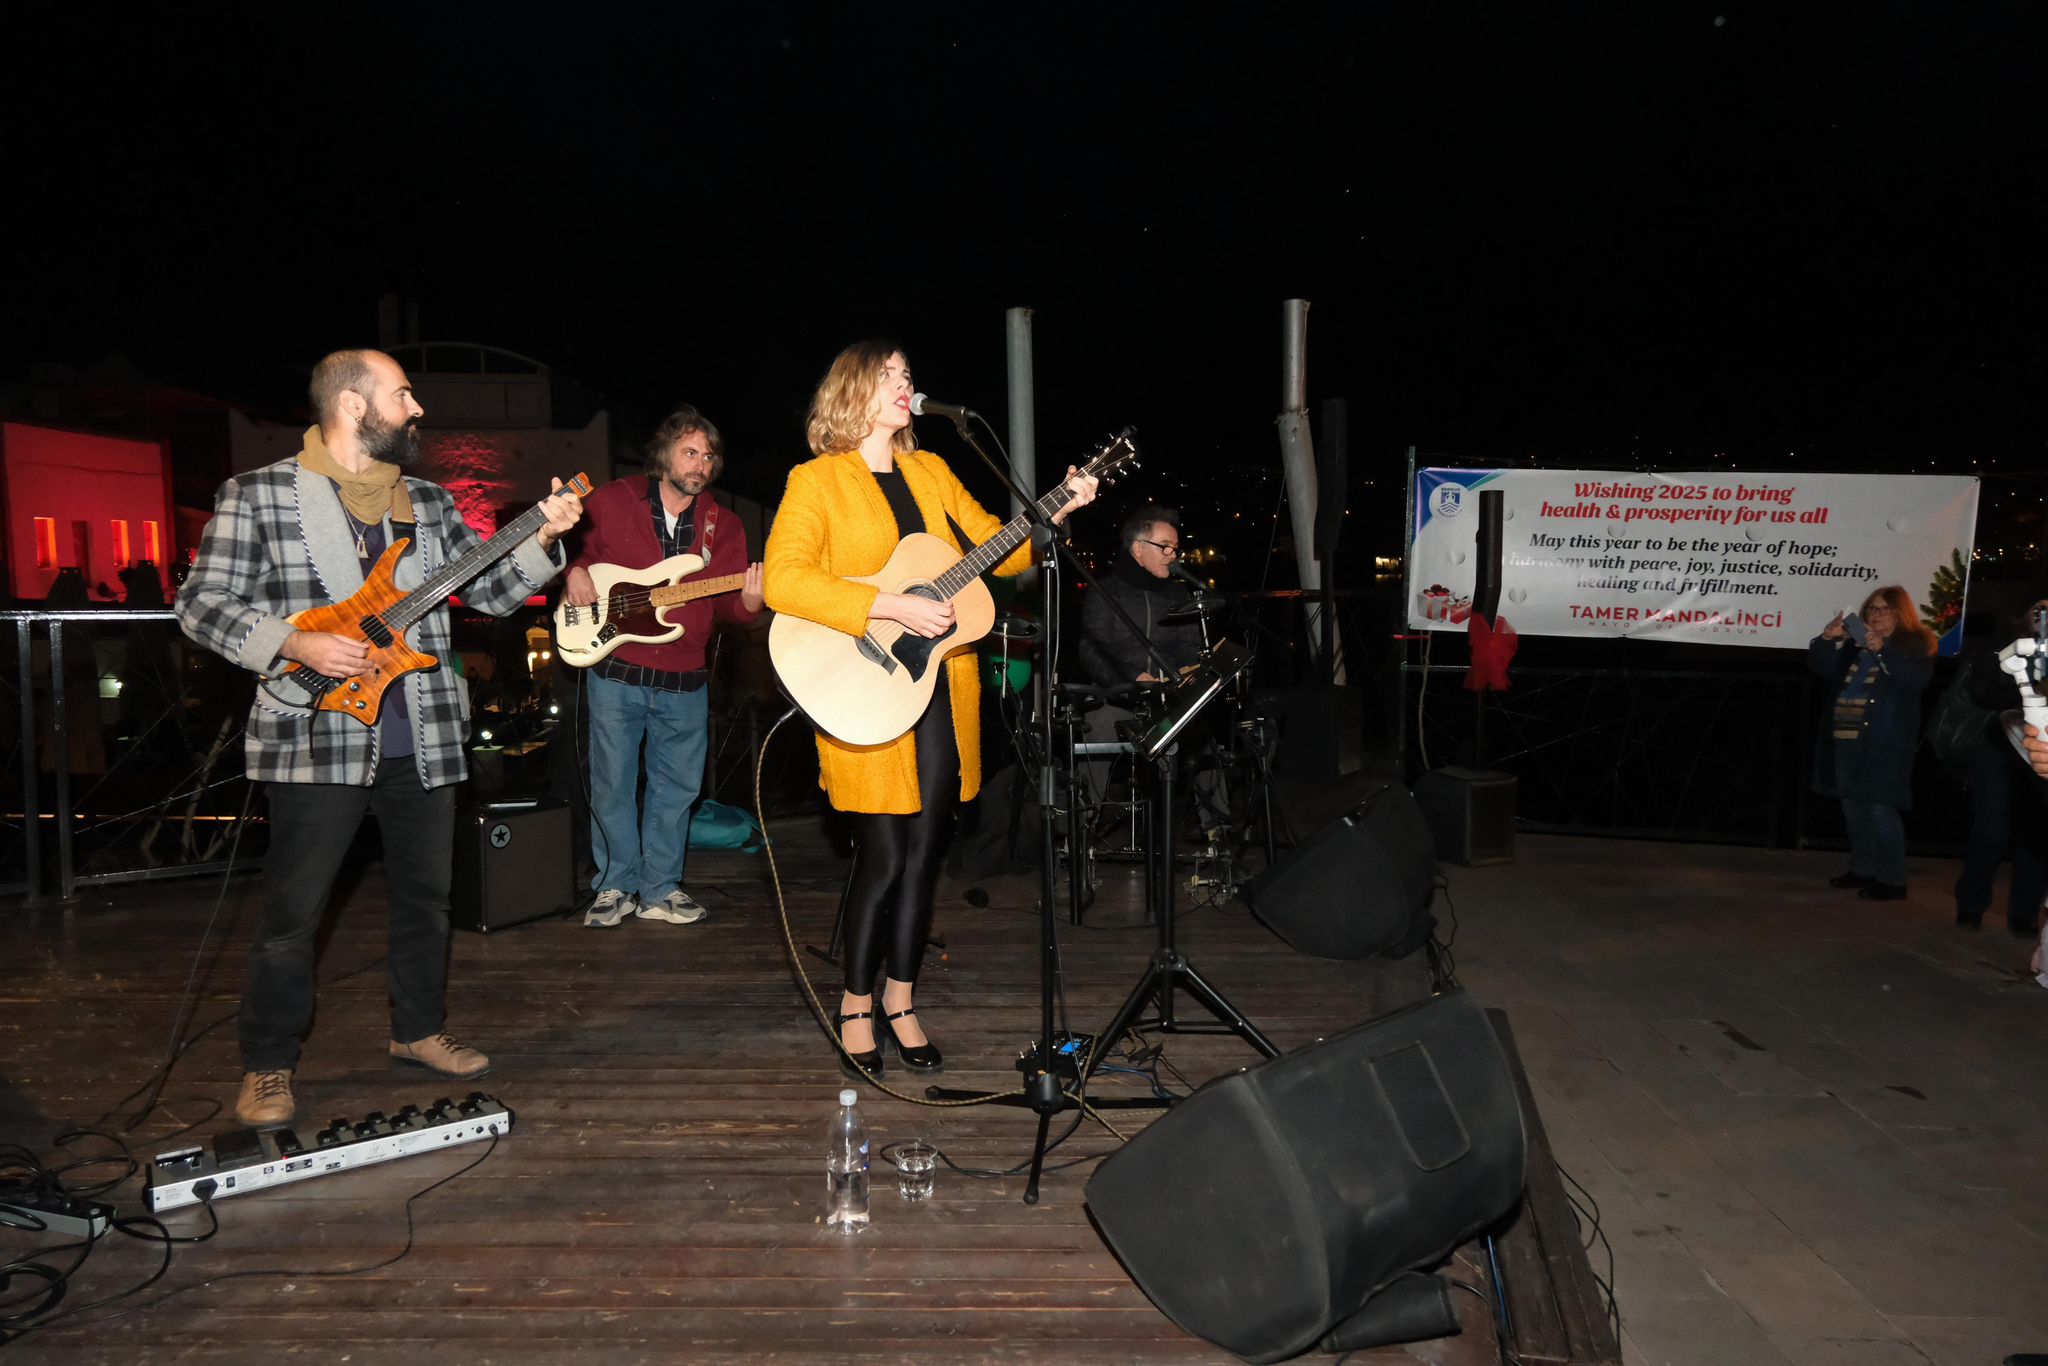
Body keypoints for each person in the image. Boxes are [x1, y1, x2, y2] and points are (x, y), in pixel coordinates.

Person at [176, 348, 583, 1126]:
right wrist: (295, 644)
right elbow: (200, 604)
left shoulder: (426, 504)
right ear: (355, 407)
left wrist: (543, 537)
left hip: (422, 734)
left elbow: (494, 591)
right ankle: (268, 1063)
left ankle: (418, 1029)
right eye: (404, 395)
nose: (418, 410)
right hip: (313, 735)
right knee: (295, 914)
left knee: (427, 900)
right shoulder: (260, 497)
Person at [763, 340, 1098, 1079]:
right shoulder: (817, 481)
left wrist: (1054, 513)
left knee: (925, 855)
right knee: (881, 855)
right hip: (863, 681)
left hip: (941, 690)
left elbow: (999, 552)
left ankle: (902, 998)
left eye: (909, 374)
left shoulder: (932, 470)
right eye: (890, 374)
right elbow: (786, 580)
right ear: (851, 389)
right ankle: (855, 1003)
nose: (905, 383)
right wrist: (886, 604)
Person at [562, 406, 765, 928]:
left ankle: (660, 888)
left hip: (685, 677)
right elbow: (571, 550)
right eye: (690, 451)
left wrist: (752, 601)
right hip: (616, 667)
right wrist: (575, 572)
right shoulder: (612, 499)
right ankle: (613, 886)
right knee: (612, 782)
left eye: (709, 455)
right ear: (664, 454)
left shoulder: (726, 525)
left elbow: (732, 611)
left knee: (677, 789)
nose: (701, 463)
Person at [1808, 585, 1938, 901]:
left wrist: (1882, 650)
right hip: (1848, 736)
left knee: (1881, 808)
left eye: (1884, 609)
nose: (1876, 615)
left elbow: (1914, 681)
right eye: (1872, 609)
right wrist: (1827, 639)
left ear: (1900, 613)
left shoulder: (1916, 645)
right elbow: (1822, 668)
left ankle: (1892, 880)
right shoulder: (1855, 645)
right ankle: (1863, 868)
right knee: (1853, 806)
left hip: (1886, 740)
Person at [1947, 595, 2048, 936]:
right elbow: (1982, 692)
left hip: (2043, 753)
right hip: (2001, 748)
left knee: (2036, 836)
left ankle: (2024, 913)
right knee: (1991, 830)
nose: (2044, 615)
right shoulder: (2001, 644)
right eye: (2039, 607)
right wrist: (2028, 681)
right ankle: (1971, 905)